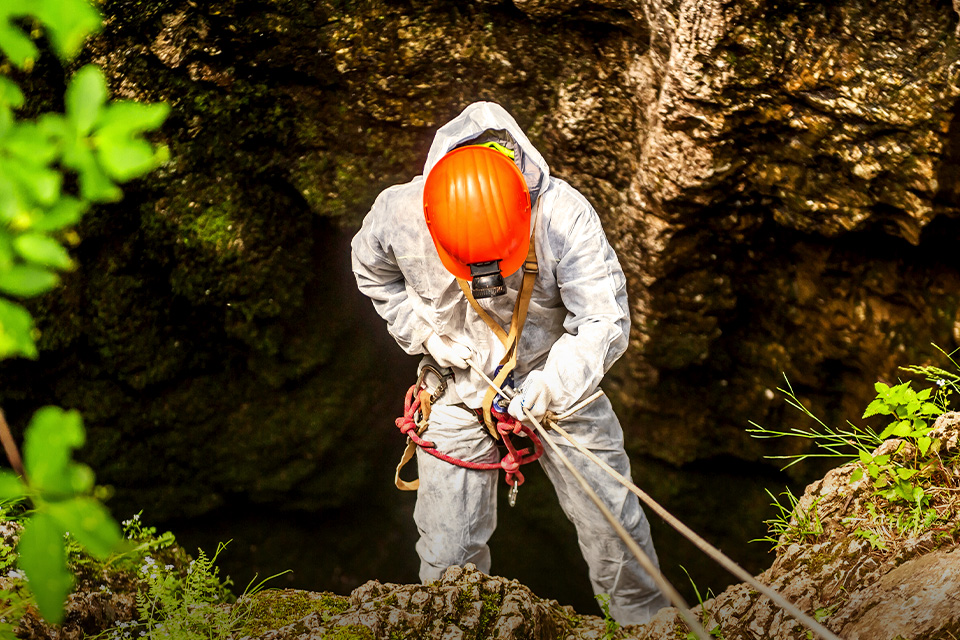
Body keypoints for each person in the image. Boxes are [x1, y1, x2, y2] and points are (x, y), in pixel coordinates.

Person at [351, 101, 669, 624]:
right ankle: (456, 630)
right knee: (447, 552)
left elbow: (603, 320)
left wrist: (550, 388)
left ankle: (643, 624)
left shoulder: (561, 216)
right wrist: (426, 335)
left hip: (558, 379)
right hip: (456, 382)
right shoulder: (400, 215)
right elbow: (372, 273)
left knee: (611, 524)